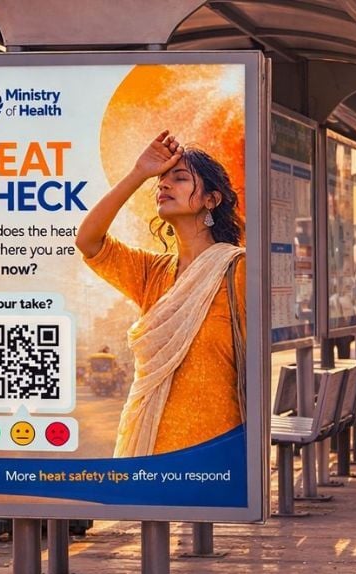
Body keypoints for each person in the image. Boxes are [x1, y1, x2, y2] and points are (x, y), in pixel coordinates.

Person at [76, 130, 247, 457]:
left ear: (212, 200)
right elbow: (88, 241)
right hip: (148, 450)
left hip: (215, 453)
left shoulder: (237, 271)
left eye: (180, 178)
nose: (164, 185)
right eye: (161, 181)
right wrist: (139, 173)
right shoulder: (151, 272)